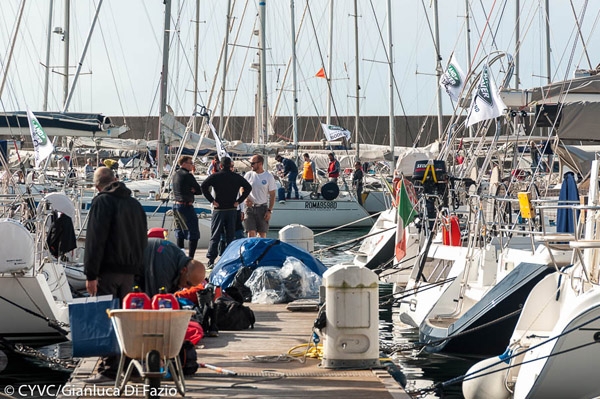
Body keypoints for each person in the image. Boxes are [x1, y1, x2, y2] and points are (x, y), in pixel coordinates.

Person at [83, 167, 148, 383]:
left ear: (97, 186)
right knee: (127, 319)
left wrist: (91, 274)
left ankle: (109, 370)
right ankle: (131, 366)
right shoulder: (135, 204)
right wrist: (138, 269)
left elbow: (95, 240)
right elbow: (142, 239)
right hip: (130, 272)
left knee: (107, 319)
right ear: (115, 179)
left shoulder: (102, 202)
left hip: (108, 270)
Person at [200, 156, 252, 268]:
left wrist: (212, 200)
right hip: (232, 209)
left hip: (219, 209)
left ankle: (211, 260)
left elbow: (203, 186)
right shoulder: (236, 177)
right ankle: (229, 258)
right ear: (231, 165)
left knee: (215, 235)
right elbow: (248, 187)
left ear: (221, 165)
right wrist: (239, 201)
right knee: (230, 236)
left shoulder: (215, 176)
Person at [172, 155, 203, 259]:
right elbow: (199, 190)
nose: (192, 165)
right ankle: (190, 257)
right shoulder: (187, 175)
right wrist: (192, 190)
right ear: (184, 163)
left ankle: (180, 256)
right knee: (194, 233)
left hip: (176, 205)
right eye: (190, 163)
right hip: (186, 206)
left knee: (180, 232)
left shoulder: (175, 174)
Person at [243, 154, 276, 238]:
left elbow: (272, 195)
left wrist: (269, 210)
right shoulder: (248, 175)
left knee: (262, 234)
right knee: (251, 233)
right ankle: (252, 251)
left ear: (260, 164)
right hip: (250, 208)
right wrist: (246, 198)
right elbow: (242, 188)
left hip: (262, 208)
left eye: (253, 163)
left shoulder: (268, 177)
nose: (251, 165)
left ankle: (261, 251)